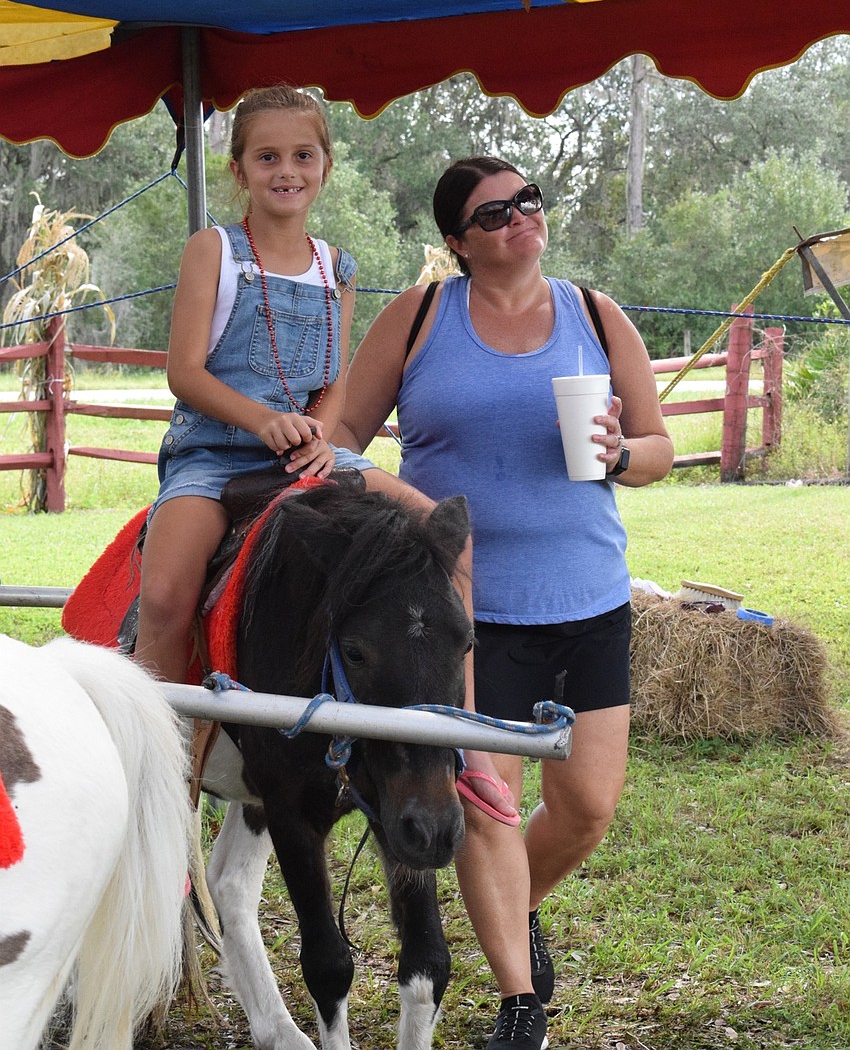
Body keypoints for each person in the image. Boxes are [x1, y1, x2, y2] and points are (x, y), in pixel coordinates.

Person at [335, 156, 674, 1050]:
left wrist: (620, 456)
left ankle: (512, 912)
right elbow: (337, 441)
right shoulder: (417, 320)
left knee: (588, 807)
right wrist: (411, 508)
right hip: (461, 613)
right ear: (456, 242)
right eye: (494, 213)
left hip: (588, 594)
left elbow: (660, 446)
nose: (520, 218)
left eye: (528, 201)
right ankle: (522, 1006)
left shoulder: (596, 315)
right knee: (486, 802)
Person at [135, 84, 389, 683]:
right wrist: (262, 420)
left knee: (436, 534)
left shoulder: (338, 268)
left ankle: (455, 739)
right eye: (267, 157)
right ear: (239, 170)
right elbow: (184, 372)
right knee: (165, 595)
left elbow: (333, 383)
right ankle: (159, 744)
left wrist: (321, 438)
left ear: (326, 165)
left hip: (307, 454)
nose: (287, 171)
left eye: (304, 155)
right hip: (214, 455)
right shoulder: (213, 250)